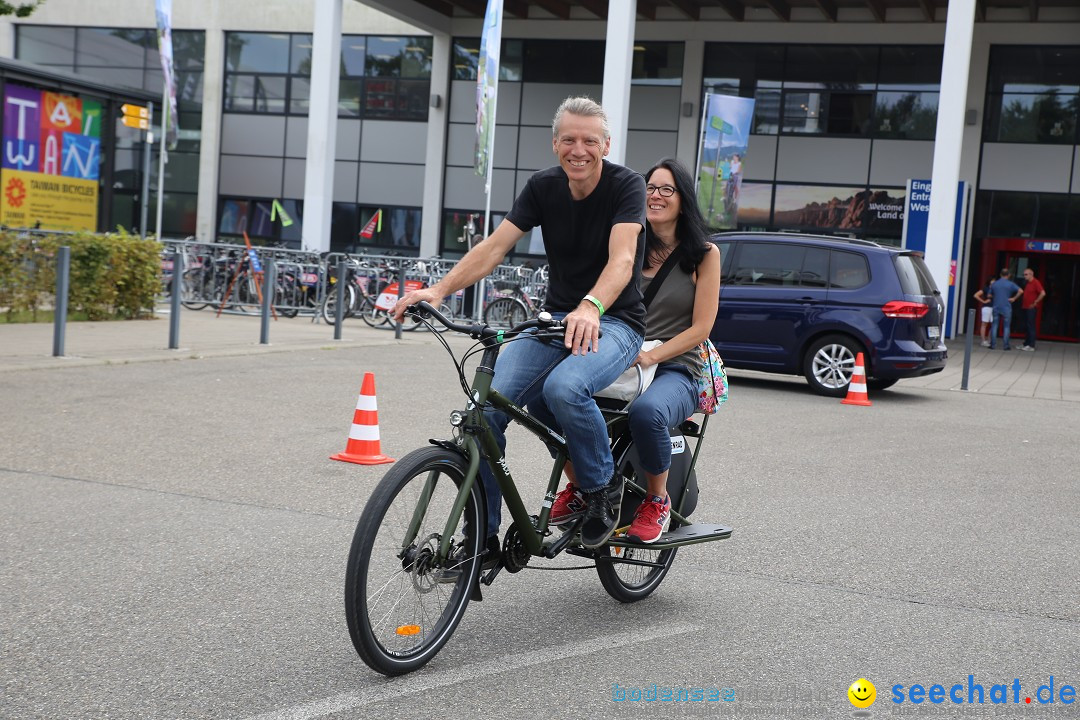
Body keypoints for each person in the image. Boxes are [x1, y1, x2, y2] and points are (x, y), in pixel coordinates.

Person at [393, 96, 646, 555]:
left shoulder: (626, 185)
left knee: (564, 389)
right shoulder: (543, 187)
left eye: (590, 140)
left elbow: (623, 258)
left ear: (605, 145)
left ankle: (602, 490)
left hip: (616, 322)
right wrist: (440, 290)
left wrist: (591, 305)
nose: (579, 149)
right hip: (555, 322)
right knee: (486, 410)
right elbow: (494, 248)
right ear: (555, 144)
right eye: (569, 139)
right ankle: (482, 536)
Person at [532, 158, 721, 543]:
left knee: (648, 413)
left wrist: (652, 355)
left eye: (666, 189)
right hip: (620, 355)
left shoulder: (703, 254)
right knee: (542, 400)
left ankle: (658, 500)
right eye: (650, 187)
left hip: (675, 367)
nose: (655, 195)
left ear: (683, 199)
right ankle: (586, 486)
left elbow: (702, 328)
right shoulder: (624, 242)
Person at [987, 268, 1023, 351]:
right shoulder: (1011, 284)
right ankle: (1006, 345)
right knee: (1006, 326)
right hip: (1006, 307)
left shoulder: (995, 284)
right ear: (1009, 275)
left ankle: (993, 344)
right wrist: (1014, 298)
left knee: (994, 325)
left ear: (1000, 275)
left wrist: (996, 296)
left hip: (996, 306)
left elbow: (989, 295)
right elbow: (1021, 291)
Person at [1020, 267, 1046, 351]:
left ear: (1031, 274)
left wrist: (1036, 302)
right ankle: (1026, 343)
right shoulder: (1028, 283)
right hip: (1025, 307)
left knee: (1031, 326)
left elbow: (1042, 293)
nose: (1024, 276)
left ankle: (1031, 345)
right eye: (1024, 275)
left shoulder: (1035, 282)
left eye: (1026, 274)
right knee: (1027, 326)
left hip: (1031, 308)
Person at [972, 276, 994, 347]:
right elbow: (976, 295)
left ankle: (990, 340)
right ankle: (983, 340)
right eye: (992, 281)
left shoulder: (996, 289)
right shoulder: (986, 288)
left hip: (994, 307)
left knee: (993, 325)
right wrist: (983, 301)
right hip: (987, 307)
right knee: (984, 324)